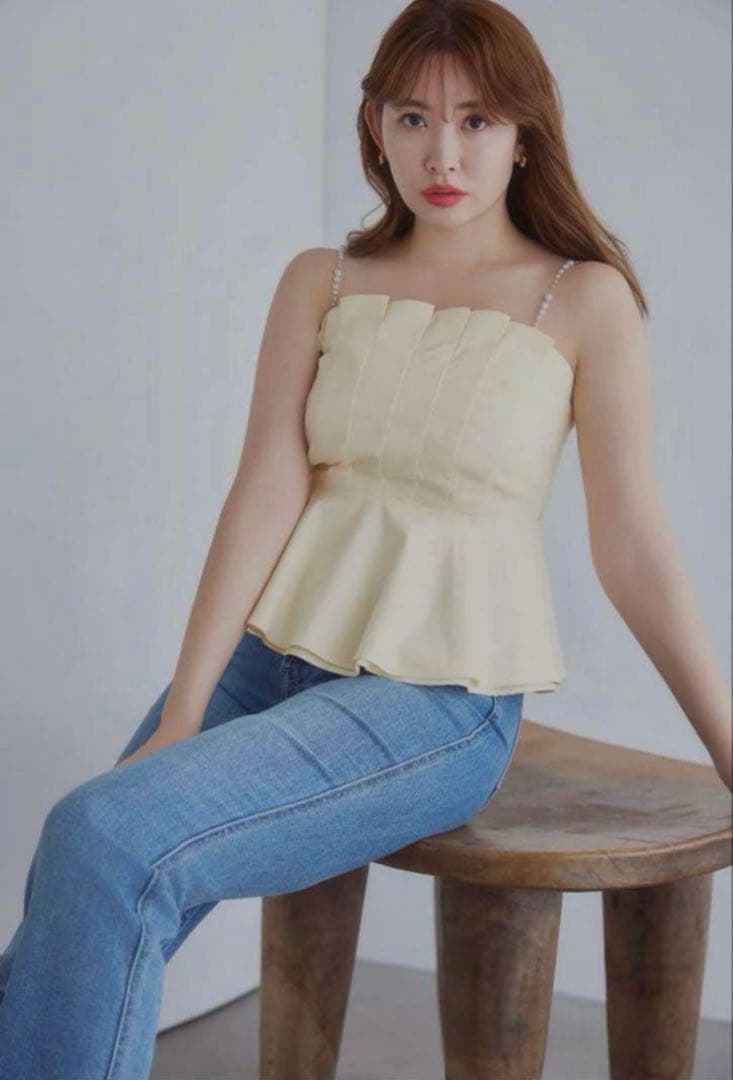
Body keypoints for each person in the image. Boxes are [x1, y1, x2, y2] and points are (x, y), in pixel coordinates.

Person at [1, 1, 730, 1076]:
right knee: (81, 879)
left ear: (524, 133)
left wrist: (726, 743)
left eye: (476, 120)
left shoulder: (582, 300)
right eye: (412, 117)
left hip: (432, 698)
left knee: (102, 839)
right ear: (375, 128)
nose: (443, 154)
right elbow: (265, 488)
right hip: (270, 659)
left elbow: (632, 545)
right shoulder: (323, 278)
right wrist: (187, 706)